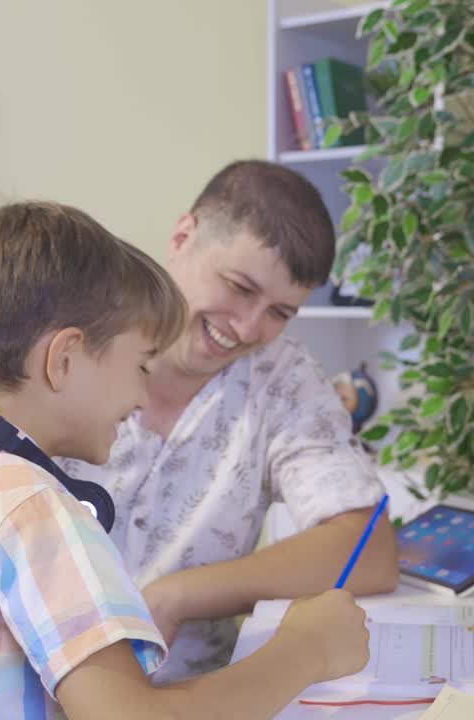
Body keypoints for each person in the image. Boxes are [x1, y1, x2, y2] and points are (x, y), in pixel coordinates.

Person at [0, 201, 370, 719]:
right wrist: (307, 649)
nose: (142, 397)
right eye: (141, 365)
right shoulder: (34, 513)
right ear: (65, 358)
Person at [58, 160, 399, 680]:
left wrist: (179, 595)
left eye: (280, 312)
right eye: (240, 287)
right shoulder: (70, 334)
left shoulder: (281, 377)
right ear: (183, 235)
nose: (246, 328)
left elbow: (369, 549)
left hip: (192, 700)